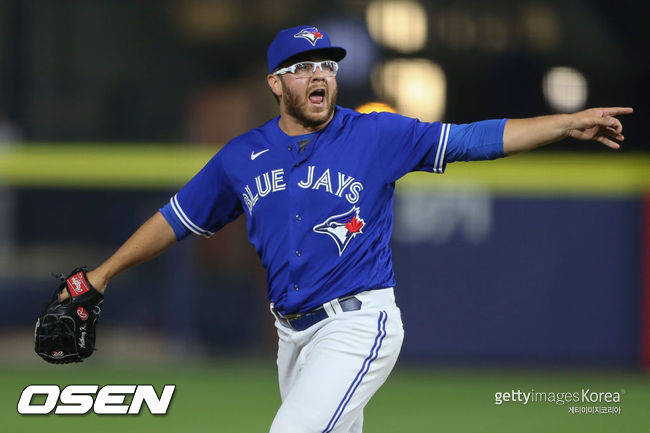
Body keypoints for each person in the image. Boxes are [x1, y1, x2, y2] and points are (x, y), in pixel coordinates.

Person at [58, 26, 632, 432]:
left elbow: (473, 139)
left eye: (327, 66)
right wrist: (100, 277)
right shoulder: (242, 156)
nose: (319, 76)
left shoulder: (374, 136)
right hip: (292, 338)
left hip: (358, 325)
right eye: (303, 67)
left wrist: (564, 124)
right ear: (276, 84)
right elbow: (175, 220)